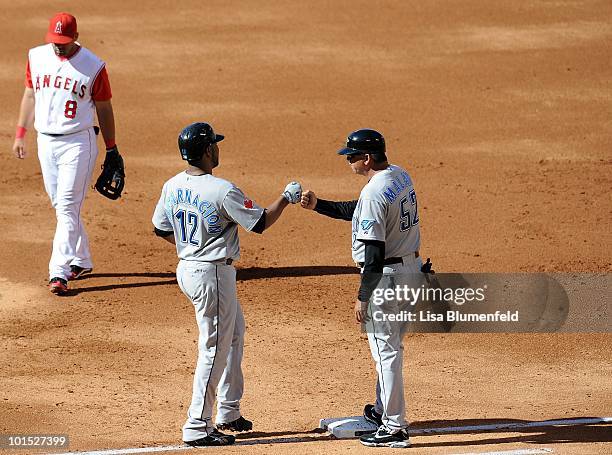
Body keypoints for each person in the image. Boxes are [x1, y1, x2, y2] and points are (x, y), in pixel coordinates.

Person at [152, 122, 302, 447]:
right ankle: (197, 426)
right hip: (213, 276)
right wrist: (286, 199)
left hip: (188, 270)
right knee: (214, 348)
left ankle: (229, 411)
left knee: (234, 333)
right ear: (207, 151)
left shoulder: (172, 185)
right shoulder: (222, 190)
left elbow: (160, 228)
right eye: (215, 145)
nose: (218, 149)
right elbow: (260, 222)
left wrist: (190, 248)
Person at [301, 128, 424, 448]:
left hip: (387, 277)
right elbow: (362, 210)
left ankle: (395, 426)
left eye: (352, 156)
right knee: (390, 349)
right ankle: (383, 411)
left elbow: (372, 255)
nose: (349, 161)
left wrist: (363, 296)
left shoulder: (374, 192)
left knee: (386, 353)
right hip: (409, 270)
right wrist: (319, 205)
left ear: (367, 158)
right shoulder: (398, 175)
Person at [12, 12, 123, 295]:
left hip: (78, 143)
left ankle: (58, 271)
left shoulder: (93, 66)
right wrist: (21, 133)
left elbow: (105, 108)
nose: (58, 45)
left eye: (64, 41)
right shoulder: (36, 57)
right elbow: (30, 94)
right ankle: (82, 258)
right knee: (61, 206)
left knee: (66, 207)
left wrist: (111, 147)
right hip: (45, 142)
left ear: (76, 37)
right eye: (54, 40)